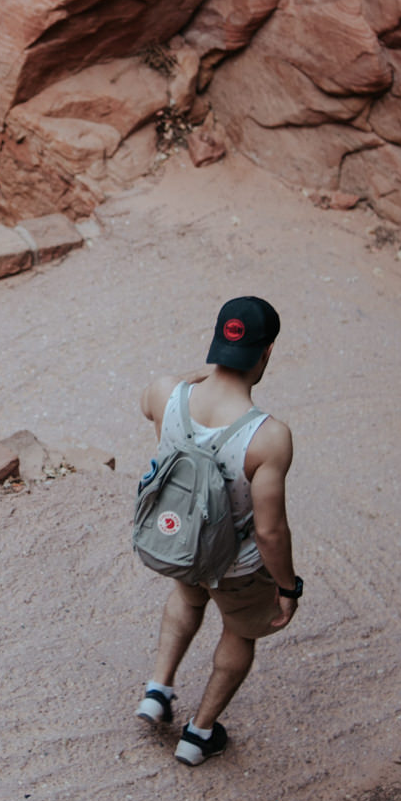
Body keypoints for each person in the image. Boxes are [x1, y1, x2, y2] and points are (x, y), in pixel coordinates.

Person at [133, 295, 300, 765]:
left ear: (216, 343)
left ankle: (157, 691)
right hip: (236, 564)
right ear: (266, 353)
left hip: (182, 539)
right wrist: (288, 586)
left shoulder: (166, 391)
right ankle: (199, 734)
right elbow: (270, 531)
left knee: (187, 598)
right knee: (240, 631)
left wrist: (197, 376)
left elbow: (151, 409)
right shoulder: (268, 436)